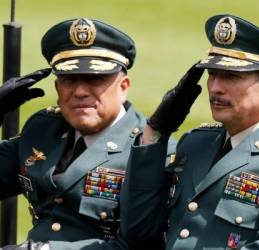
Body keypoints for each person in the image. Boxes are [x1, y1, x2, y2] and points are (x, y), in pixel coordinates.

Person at [120, 14, 259, 249]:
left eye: (231, 76)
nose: (215, 88)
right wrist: (155, 132)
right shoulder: (195, 144)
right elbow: (138, 232)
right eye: (212, 74)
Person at [0, 18, 176, 250]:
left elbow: (139, 245)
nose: (80, 91)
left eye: (95, 79)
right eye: (69, 80)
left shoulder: (150, 151)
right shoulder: (43, 130)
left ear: (123, 87)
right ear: (57, 88)